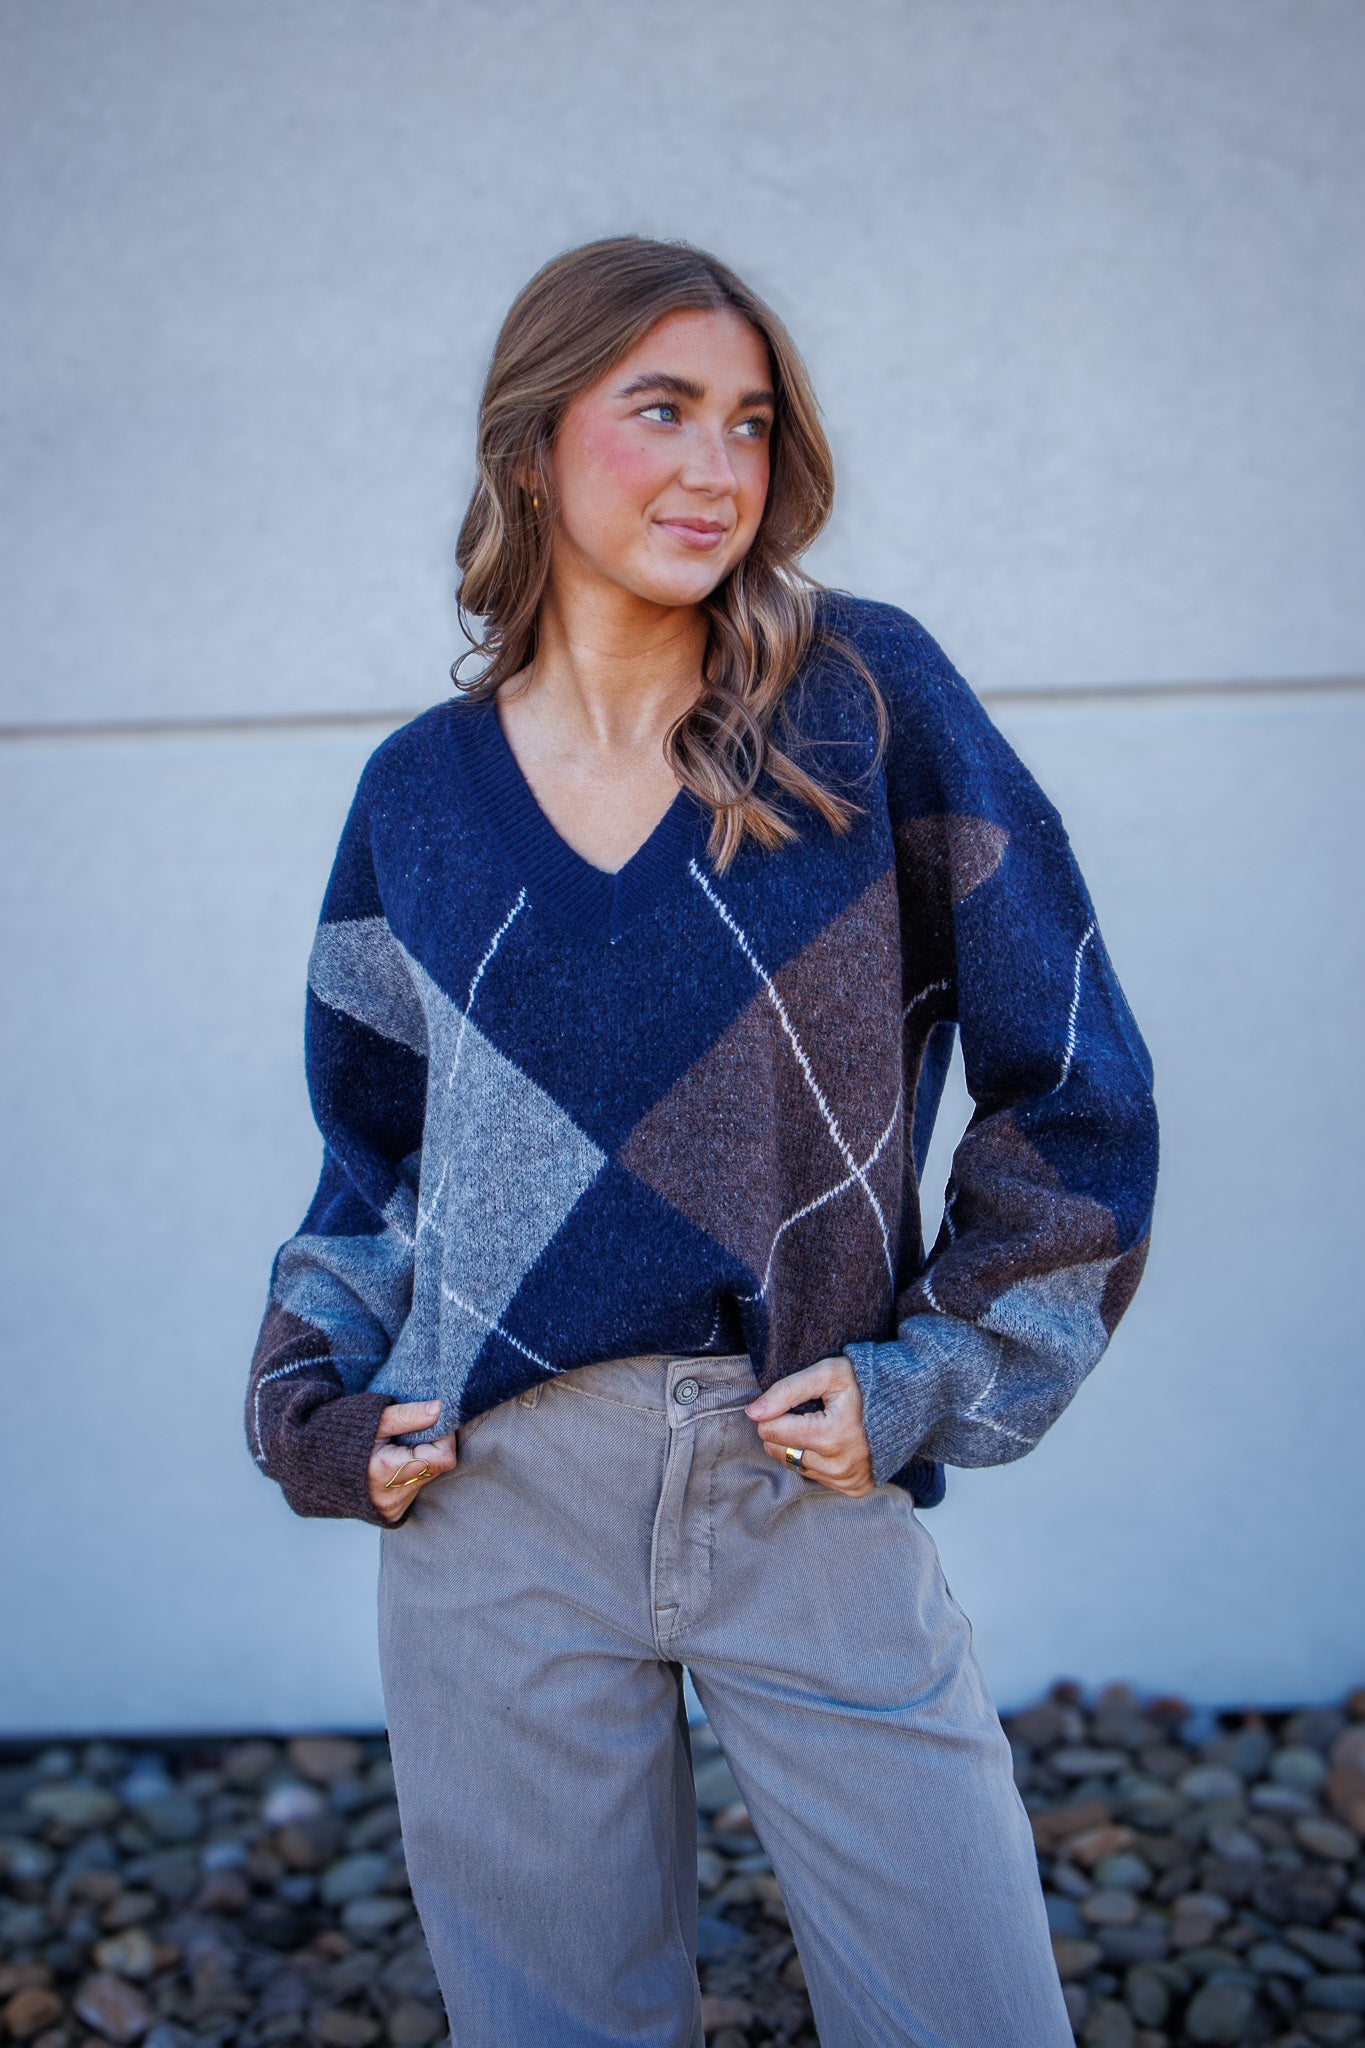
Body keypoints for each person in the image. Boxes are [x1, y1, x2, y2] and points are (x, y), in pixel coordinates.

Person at [246, 234, 1158, 2048]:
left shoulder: (865, 700)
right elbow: (367, 1163)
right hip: (493, 1500)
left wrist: (937, 1374)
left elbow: (1071, 1080)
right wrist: (310, 1414)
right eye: (657, 409)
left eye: (747, 424)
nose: (713, 469)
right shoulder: (417, 799)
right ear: (532, 447)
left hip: (800, 1474)